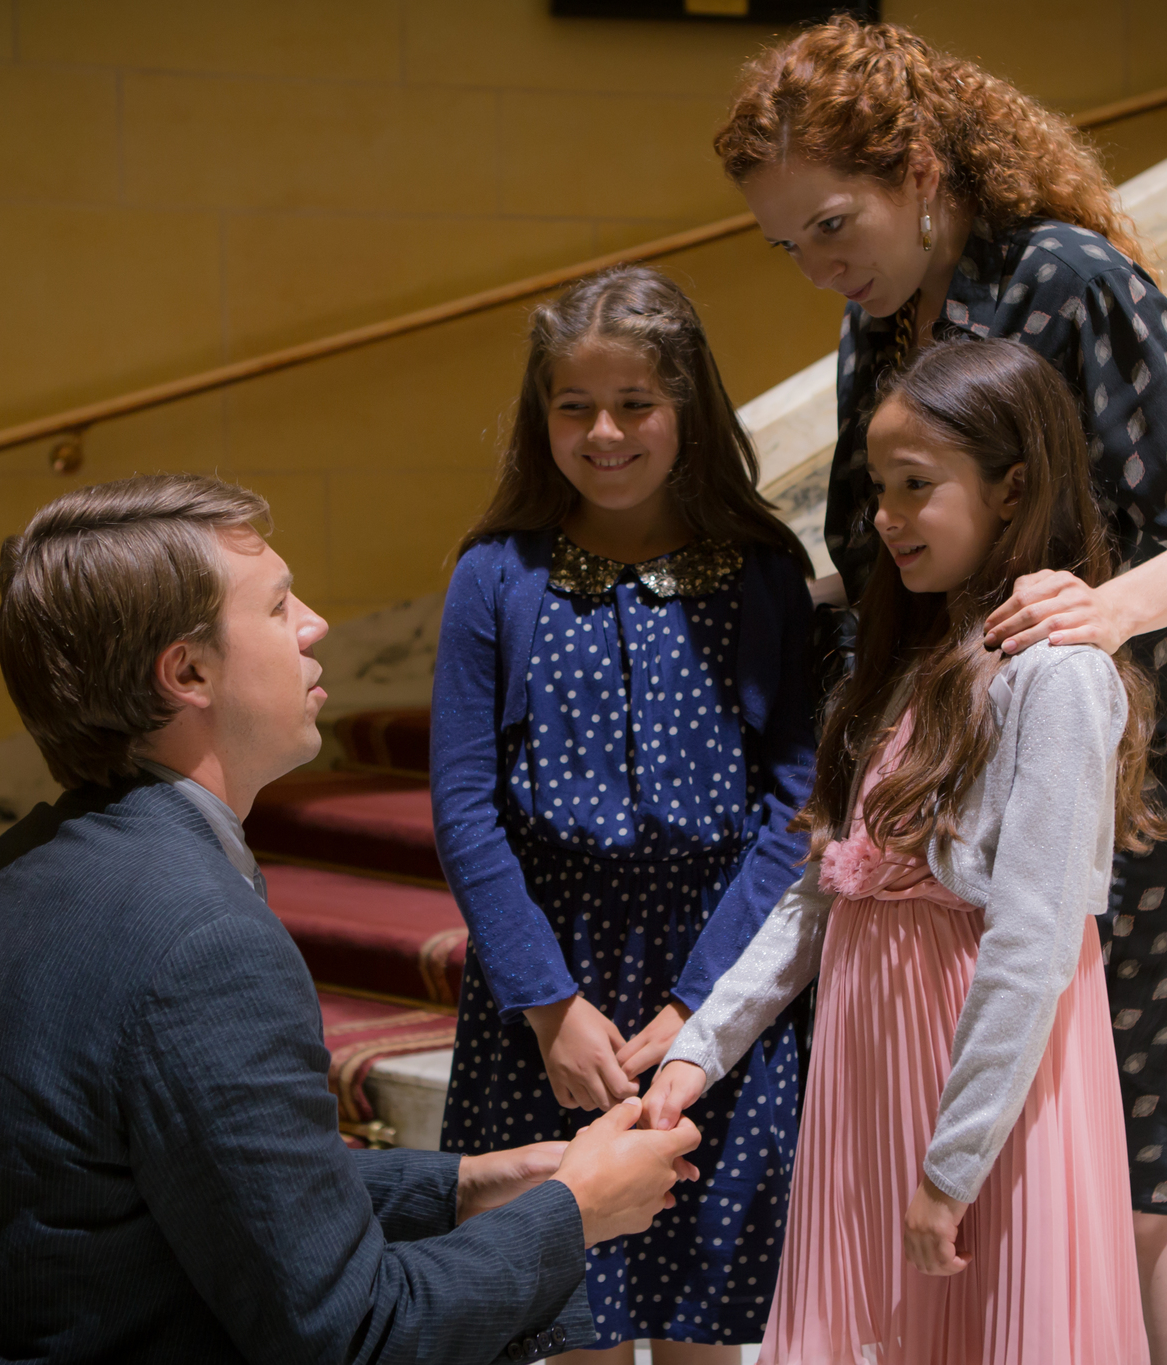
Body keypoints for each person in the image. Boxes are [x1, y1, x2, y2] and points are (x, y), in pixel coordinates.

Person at [710, 20, 1167, 1361]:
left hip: (1129, 794)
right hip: (955, 808)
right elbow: (886, 569)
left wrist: (1104, 609)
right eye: (786, 246)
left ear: (919, 167)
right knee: (983, 1166)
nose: (818, 267)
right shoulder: (878, 328)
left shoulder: (1069, 279)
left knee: (1154, 1148)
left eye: (834, 224)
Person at [0, 473, 705, 1365]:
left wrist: (466, 1185)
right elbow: (354, 1337)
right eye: (278, 608)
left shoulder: (9, 870)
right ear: (188, 671)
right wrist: (575, 1212)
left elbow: (194, 1178)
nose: (314, 624)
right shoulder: (202, 940)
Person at [648, 338, 1165, 1363]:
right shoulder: (914, 658)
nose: (883, 520)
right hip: (870, 1070)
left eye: (915, 488)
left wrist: (953, 1165)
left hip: (969, 1094)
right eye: (878, 488)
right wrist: (699, 1047)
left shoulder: (1052, 676)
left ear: (1011, 488)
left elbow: (1031, 940)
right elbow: (824, 891)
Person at [431, 266, 818, 1363]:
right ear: (538, 417)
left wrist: (703, 1004)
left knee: (707, 1308)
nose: (604, 432)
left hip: (717, 973)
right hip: (548, 978)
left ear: (686, 409)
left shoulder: (761, 573)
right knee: (572, 1316)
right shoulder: (495, 574)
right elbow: (463, 806)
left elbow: (791, 801)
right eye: (573, 407)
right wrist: (548, 1006)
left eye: (634, 404)